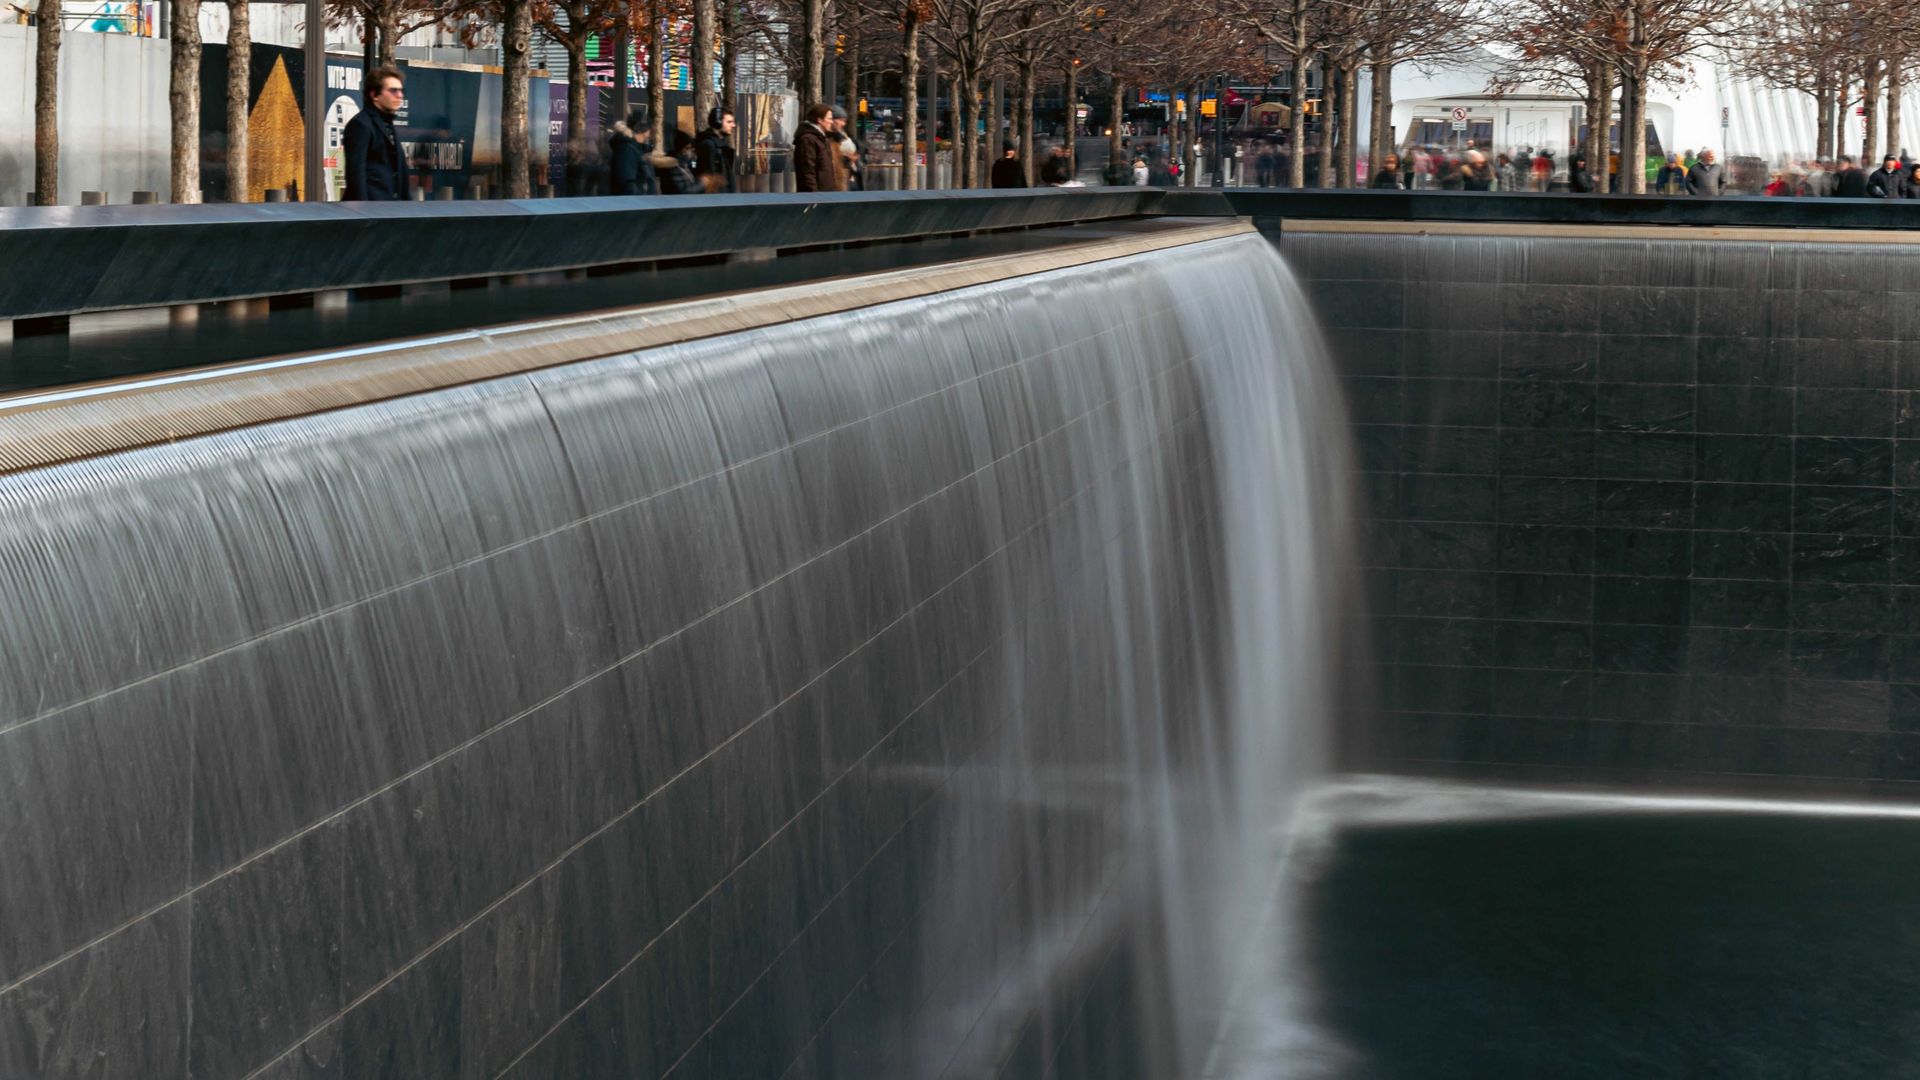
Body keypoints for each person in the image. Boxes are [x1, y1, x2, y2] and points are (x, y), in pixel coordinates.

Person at [343, 66, 410, 201]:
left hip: (391, 210)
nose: (400, 95)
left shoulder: (387, 123)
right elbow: (356, 173)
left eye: (401, 90)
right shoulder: (360, 124)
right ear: (374, 95)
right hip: (371, 212)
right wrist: (364, 214)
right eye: (393, 91)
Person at [794, 102, 841, 192]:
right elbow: (807, 171)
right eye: (829, 119)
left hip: (825, 193)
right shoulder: (808, 139)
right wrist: (813, 196)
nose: (832, 122)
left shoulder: (820, 138)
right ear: (820, 120)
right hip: (817, 196)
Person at [608, 109, 653, 195]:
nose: (644, 141)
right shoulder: (626, 149)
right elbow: (627, 182)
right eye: (644, 137)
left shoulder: (629, 148)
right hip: (633, 202)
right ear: (638, 132)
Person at [693, 107, 737, 193]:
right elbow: (709, 180)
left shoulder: (720, 145)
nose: (733, 125)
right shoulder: (708, 145)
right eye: (729, 122)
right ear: (718, 123)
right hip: (717, 200)